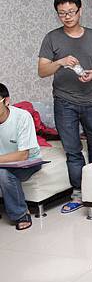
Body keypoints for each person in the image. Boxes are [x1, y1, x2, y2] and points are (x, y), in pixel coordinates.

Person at [38, 0, 92, 214]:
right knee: (73, 150)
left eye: (71, 12)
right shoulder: (52, 38)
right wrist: (60, 62)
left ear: (80, 10)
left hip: (91, 100)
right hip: (64, 102)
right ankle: (79, 193)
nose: (67, 17)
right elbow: (42, 71)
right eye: (62, 13)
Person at [0, 84, 42, 230]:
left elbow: (23, 155)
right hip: (2, 161)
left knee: (3, 173)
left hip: (28, 162)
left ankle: (21, 214)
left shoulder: (22, 117)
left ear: (6, 101)